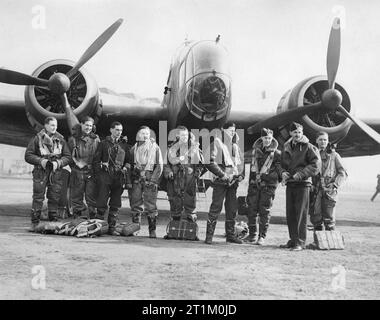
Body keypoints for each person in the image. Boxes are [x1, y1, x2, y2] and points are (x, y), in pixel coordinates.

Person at [24, 116, 71, 231]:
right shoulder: (37, 139)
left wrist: (59, 163)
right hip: (41, 172)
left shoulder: (61, 139)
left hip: (55, 172)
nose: (54, 127)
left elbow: (68, 157)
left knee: (54, 196)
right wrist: (41, 161)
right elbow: (28, 155)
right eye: (52, 125)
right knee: (38, 197)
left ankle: (53, 221)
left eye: (55, 125)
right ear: (45, 126)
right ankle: (35, 222)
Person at [280, 122, 320, 251]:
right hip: (291, 184)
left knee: (301, 214)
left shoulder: (309, 147)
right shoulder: (286, 146)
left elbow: (316, 165)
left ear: (302, 133)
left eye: (299, 132)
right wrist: (282, 173)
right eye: (295, 132)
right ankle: (293, 240)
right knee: (291, 213)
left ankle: (300, 242)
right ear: (291, 133)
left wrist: (302, 174)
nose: (297, 134)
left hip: (303, 184)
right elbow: (280, 164)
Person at [204, 122, 245, 244]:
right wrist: (222, 175)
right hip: (220, 181)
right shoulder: (216, 143)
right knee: (216, 207)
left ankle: (231, 235)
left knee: (232, 209)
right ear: (223, 130)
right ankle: (209, 236)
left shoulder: (235, 146)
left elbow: (241, 162)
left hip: (233, 183)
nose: (232, 132)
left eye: (234, 130)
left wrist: (241, 175)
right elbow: (209, 161)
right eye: (230, 130)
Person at [245, 128, 283, 245]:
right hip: (254, 185)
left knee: (264, 211)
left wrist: (270, 181)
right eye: (265, 138)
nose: (267, 140)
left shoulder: (276, 154)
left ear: (272, 139)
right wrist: (251, 184)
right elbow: (252, 169)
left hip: (268, 186)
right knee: (251, 210)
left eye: (269, 138)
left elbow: (279, 171)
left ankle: (262, 236)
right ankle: (252, 235)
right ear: (261, 138)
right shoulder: (255, 152)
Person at [93, 121, 131, 235]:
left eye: (120, 130)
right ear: (111, 130)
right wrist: (99, 171)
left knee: (115, 203)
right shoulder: (103, 143)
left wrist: (125, 168)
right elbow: (95, 160)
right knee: (101, 202)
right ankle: (98, 227)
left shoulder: (124, 145)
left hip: (119, 177)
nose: (119, 132)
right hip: (105, 176)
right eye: (117, 130)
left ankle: (112, 228)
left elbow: (129, 162)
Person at [163, 126, 204, 222]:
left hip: (189, 179)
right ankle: (175, 226)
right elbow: (165, 164)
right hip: (175, 180)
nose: (185, 137)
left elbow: (201, 164)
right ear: (177, 135)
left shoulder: (194, 148)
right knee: (174, 201)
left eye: (186, 135)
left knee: (190, 201)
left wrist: (196, 173)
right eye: (182, 135)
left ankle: (191, 230)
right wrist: (168, 172)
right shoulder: (170, 149)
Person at [129, 126, 163, 238]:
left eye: (147, 134)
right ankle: (135, 228)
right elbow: (130, 165)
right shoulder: (133, 149)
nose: (145, 135)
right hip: (137, 179)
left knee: (151, 206)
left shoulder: (155, 148)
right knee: (135, 204)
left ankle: (152, 231)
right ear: (138, 134)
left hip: (150, 179)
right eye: (142, 133)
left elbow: (159, 166)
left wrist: (153, 180)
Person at [309, 132, 347, 230]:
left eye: (325, 140)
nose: (323, 142)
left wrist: (335, 185)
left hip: (329, 190)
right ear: (316, 141)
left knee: (329, 218)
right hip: (315, 190)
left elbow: (343, 173)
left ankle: (331, 242)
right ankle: (318, 243)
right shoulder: (311, 154)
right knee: (315, 216)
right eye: (321, 139)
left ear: (328, 141)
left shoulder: (334, 156)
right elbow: (307, 170)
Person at [67, 116, 100, 219]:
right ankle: (77, 219)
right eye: (86, 125)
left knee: (92, 197)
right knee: (76, 197)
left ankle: (93, 221)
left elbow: (99, 156)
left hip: (91, 172)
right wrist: (76, 166)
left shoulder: (96, 140)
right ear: (81, 124)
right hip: (77, 172)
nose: (88, 128)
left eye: (90, 126)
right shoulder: (73, 140)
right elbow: (68, 156)